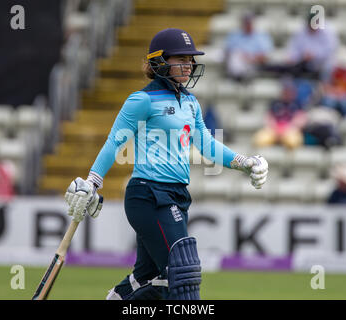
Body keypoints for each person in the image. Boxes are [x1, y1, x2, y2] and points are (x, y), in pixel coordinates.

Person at [64, 28, 269, 300]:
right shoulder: (142, 100)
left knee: (147, 278)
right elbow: (115, 142)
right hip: (148, 194)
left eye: (190, 59)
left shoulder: (190, 102)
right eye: (180, 59)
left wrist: (244, 162)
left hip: (177, 195)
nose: (189, 65)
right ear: (159, 62)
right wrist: (92, 182)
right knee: (182, 272)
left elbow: (207, 144)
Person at [253, 78, 307, 150]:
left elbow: (301, 119)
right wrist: (274, 128)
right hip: (274, 130)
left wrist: (288, 128)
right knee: (259, 140)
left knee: (292, 142)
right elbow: (268, 117)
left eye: (289, 91)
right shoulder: (275, 103)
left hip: (290, 130)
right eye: (286, 91)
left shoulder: (298, 104)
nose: (287, 93)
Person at [223, 12, 273, 82]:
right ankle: (238, 77)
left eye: (249, 22)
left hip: (254, 65)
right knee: (235, 55)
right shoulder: (234, 34)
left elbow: (266, 57)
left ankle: (242, 77)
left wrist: (250, 58)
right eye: (246, 22)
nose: (247, 24)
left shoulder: (261, 36)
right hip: (236, 64)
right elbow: (227, 52)